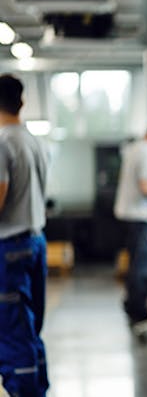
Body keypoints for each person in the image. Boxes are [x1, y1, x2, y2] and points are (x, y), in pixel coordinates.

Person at [0, 74, 50, 396]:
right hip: (35, 241)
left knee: (12, 330)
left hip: (9, 247)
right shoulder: (34, 140)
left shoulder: (3, 141)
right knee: (30, 328)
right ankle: (38, 388)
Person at [114, 119, 147, 330]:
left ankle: (132, 303)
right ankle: (138, 309)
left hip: (132, 214)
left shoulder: (137, 148)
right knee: (141, 265)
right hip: (140, 215)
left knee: (137, 261)